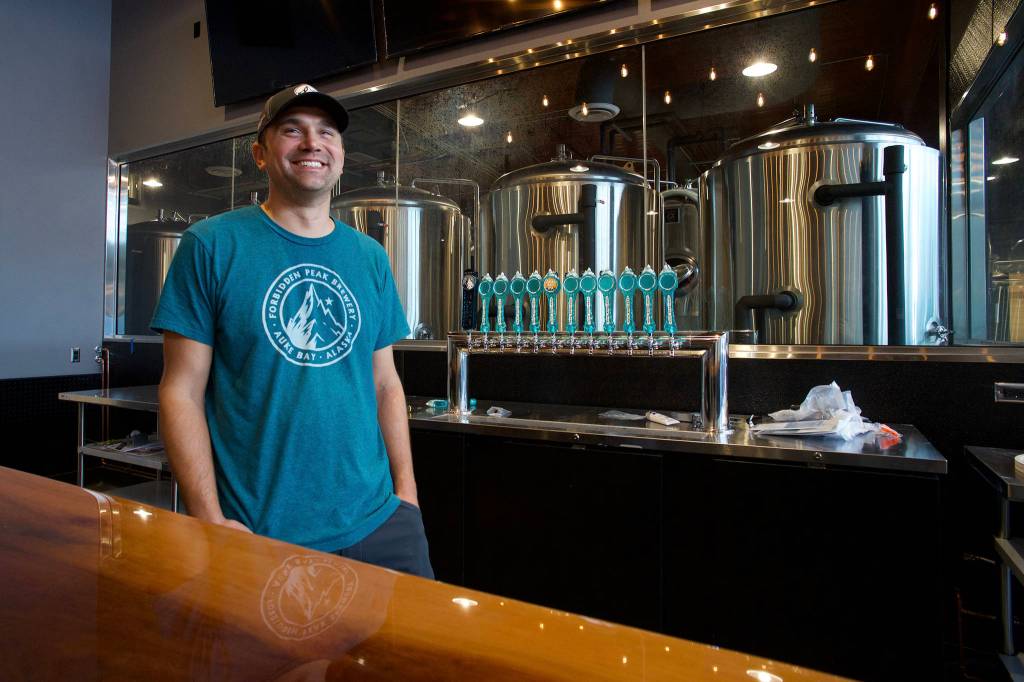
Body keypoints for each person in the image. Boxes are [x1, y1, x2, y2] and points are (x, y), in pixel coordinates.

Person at [153, 84, 433, 578]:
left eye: (326, 132)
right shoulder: (211, 245)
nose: (312, 143)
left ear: (341, 156)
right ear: (260, 154)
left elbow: (386, 384)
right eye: (292, 130)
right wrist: (208, 518)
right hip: (259, 530)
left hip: (380, 523)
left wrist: (405, 496)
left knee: (419, 634)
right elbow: (181, 391)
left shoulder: (369, 257)